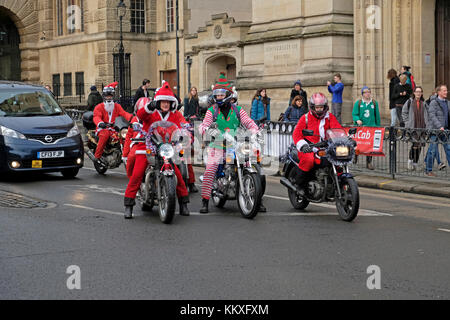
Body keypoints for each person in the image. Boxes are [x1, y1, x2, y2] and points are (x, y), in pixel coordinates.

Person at [124, 82, 191, 219]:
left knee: (177, 174)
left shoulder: (175, 115)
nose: (165, 104)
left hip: (166, 148)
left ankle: (184, 203)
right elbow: (141, 115)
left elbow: (182, 128)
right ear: (158, 102)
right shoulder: (151, 113)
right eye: (162, 102)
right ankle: (128, 205)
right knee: (137, 174)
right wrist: (149, 106)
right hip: (147, 147)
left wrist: (186, 136)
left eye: (168, 102)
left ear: (171, 103)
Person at [198, 72, 261, 214]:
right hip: (218, 145)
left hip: (236, 144)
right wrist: (208, 130)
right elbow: (203, 126)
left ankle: (258, 199)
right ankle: (205, 201)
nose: (219, 97)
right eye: (217, 94)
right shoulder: (211, 111)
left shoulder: (238, 110)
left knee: (254, 165)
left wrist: (254, 131)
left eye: (221, 94)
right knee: (210, 169)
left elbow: (248, 122)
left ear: (228, 94)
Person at [292, 93, 342, 192]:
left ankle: (337, 183)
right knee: (309, 160)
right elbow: (296, 133)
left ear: (325, 107)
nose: (319, 109)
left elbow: (337, 129)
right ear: (312, 107)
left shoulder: (329, 117)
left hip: (326, 147)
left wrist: (346, 139)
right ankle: (300, 185)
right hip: (309, 147)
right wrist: (303, 145)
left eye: (321, 107)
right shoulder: (305, 118)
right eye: (317, 107)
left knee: (339, 159)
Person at [93, 82, 133, 165]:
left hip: (114, 128)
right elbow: (96, 117)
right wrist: (100, 123)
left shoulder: (117, 106)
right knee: (105, 135)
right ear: (104, 96)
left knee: (125, 135)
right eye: (107, 95)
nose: (109, 97)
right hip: (103, 128)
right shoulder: (99, 107)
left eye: (110, 95)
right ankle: (97, 156)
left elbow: (124, 113)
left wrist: (133, 118)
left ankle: (125, 154)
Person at [352, 86, 381, 170]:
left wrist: (378, 127)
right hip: (361, 128)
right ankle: (355, 156)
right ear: (362, 94)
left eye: (369, 92)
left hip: (372, 127)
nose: (367, 93)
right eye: (365, 92)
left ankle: (369, 162)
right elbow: (355, 114)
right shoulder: (359, 103)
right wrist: (357, 120)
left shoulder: (374, 103)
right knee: (359, 144)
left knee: (370, 146)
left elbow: (377, 116)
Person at [402, 86, 429, 171]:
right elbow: (404, 112)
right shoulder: (409, 102)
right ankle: (410, 161)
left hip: (422, 128)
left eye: (420, 92)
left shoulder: (423, 103)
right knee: (414, 145)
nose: (418, 93)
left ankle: (415, 163)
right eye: (417, 92)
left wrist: (427, 124)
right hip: (412, 127)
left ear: (421, 93)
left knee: (420, 146)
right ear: (414, 93)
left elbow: (427, 114)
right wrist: (407, 123)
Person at [426, 85, 450, 177]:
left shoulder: (447, 103)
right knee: (432, 150)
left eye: (446, 90)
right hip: (435, 130)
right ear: (439, 92)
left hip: (445, 130)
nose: (446, 92)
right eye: (444, 90)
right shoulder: (434, 102)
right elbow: (432, 115)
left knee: (448, 149)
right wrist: (439, 126)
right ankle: (428, 170)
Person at [182, 87, 200, 193]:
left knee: (187, 161)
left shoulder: (174, 115)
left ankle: (192, 183)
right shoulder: (187, 99)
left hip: (193, 119)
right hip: (166, 145)